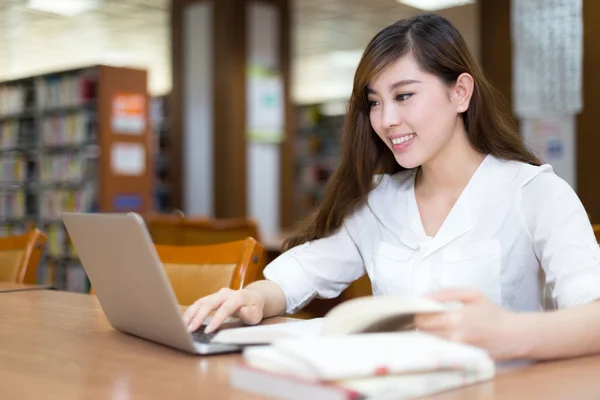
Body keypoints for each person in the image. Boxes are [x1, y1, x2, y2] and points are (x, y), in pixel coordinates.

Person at [183, 13, 600, 361]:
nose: (385, 120)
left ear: (460, 93)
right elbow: (295, 278)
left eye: (403, 96)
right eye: (375, 102)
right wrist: (252, 298)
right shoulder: (379, 201)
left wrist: (508, 332)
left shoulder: (536, 192)